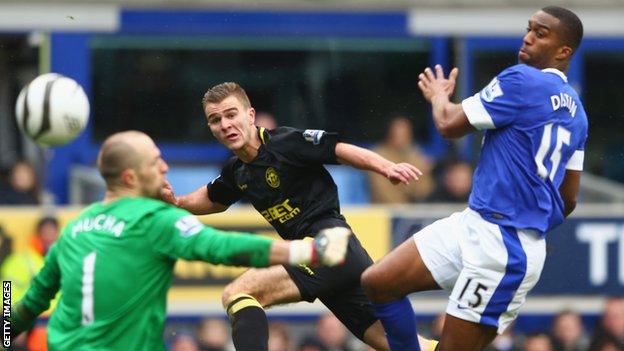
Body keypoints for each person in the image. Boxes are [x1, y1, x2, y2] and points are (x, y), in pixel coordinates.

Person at [361, 6, 587, 351]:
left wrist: (439, 97)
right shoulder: (578, 114)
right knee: (378, 281)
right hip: (476, 223)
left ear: (564, 51)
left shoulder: (521, 79)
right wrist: (537, 222)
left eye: (541, 33)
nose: (527, 37)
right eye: (528, 29)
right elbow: (568, 198)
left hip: (504, 248)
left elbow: (448, 125)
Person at [10, 130, 350, 351]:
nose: (165, 166)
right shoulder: (154, 221)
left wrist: (5, 334)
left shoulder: (75, 228)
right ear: (131, 177)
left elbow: (29, 302)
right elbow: (222, 248)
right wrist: (307, 249)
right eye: (156, 161)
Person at [162, 82, 431, 351]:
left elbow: (337, 149)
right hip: (324, 260)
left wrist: (387, 167)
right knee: (400, 346)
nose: (225, 124)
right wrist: (176, 202)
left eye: (231, 115)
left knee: (239, 293)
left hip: (331, 248)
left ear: (250, 115)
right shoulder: (237, 171)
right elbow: (213, 198)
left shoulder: (285, 142)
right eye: (215, 120)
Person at [369, 116, 435, 203]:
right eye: (397, 134)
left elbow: (426, 190)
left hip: (416, 209)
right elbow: (384, 193)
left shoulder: (415, 154)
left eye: (405, 134)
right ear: (389, 134)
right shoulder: (378, 155)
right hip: (386, 210)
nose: (402, 138)